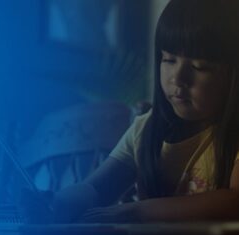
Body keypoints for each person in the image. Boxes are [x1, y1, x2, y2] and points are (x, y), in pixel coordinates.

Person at [22, 0, 239, 223]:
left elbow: (234, 201)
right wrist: (57, 202)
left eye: (198, 66)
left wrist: (136, 211)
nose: (177, 78)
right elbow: (96, 188)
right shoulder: (145, 129)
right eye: (169, 60)